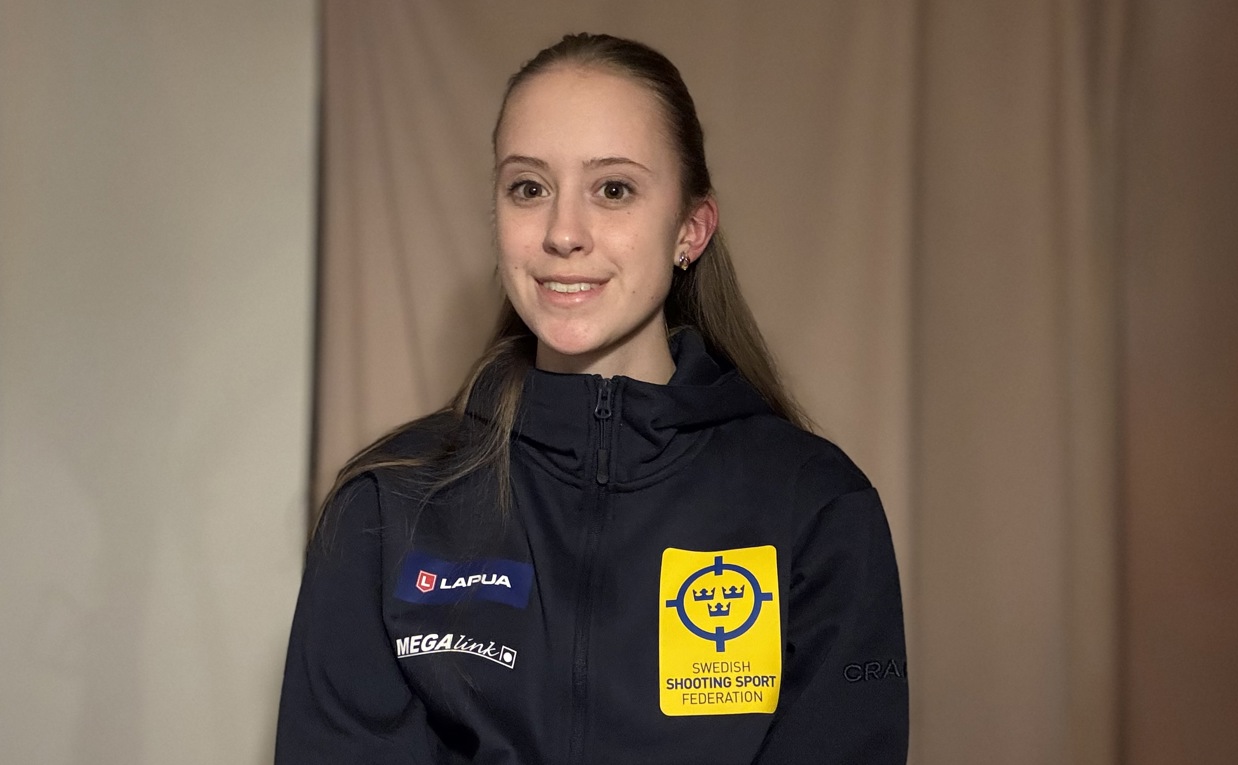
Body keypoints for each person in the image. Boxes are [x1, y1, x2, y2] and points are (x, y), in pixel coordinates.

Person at [275, 32, 909, 764]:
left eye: (613, 189)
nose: (563, 233)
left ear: (691, 229)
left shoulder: (816, 506)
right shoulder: (387, 507)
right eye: (529, 188)